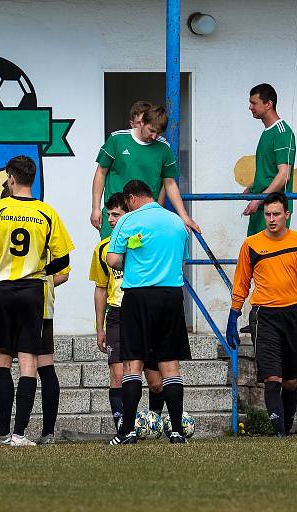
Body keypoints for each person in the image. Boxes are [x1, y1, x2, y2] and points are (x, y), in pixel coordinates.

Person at [0, 155, 74, 446]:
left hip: (1, 290)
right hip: (32, 291)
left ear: (11, 178)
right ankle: (19, 435)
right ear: (32, 179)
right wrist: (39, 270)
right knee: (28, 362)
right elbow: (63, 259)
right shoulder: (46, 212)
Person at [226, 192, 297, 437]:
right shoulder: (251, 244)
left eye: (276, 214)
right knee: (272, 378)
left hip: (291, 315)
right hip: (263, 317)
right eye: (267, 214)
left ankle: (286, 430)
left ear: (287, 215)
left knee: (290, 381)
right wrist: (233, 316)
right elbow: (241, 283)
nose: (271, 219)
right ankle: (280, 435)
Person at [106, 179, 191, 445]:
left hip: (139, 296)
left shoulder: (127, 221)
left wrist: (130, 253)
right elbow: (182, 259)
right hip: (172, 295)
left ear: (130, 198)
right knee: (170, 365)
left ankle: (127, 431)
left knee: (133, 363)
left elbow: (112, 260)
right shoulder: (177, 222)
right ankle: (177, 431)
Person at [0, 184, 70, 446]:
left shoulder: (2, 225)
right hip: (35, 303)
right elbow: (65, 269)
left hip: (18, 304)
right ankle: (23, 431)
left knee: (13, 364)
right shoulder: (42, 219)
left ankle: (16, 431)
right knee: (34, 365)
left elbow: (63, 272)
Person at [89, 192, 166, 431]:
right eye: (108, 214)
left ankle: (152, 424)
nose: (111, 220)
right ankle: (124, 428)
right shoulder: (103, 249)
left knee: (155, 382)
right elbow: (101, 289)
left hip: (145, 313)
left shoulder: (144, 244)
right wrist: (99, 327)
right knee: (118, 374)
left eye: (116, 214)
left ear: (129, 216)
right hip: (117, 315)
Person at [91, 105, 199, 238]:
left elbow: (170, 183)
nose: (154, 136)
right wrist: (95, 208)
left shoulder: (164, 148)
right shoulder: (117, 139)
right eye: (151, 130)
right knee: (112, 257)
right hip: (116, 213)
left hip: (146, 217)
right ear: (141, 122)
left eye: (158, 133)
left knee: (142, 257)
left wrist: (184, 216)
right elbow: (100, 173)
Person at [242, 83, 296, 236]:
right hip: (261, 205)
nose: (250, 107)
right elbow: (269, 169)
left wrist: (259, 199)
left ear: (268, 104)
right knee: (254, 254)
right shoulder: (267, 132)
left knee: (268, 257)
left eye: (254, 103)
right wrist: (253, 187)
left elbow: (284, 175)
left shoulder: (282, 133)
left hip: (273, 209)